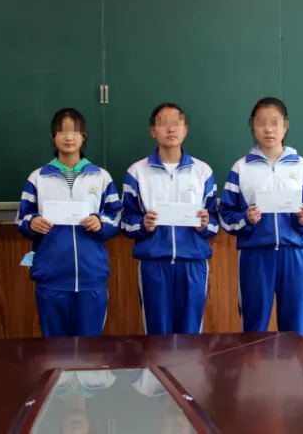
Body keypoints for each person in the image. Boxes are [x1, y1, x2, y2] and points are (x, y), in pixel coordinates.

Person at [219, 97, 303, 335]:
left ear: (285, 126)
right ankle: (252, 362)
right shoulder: (241, 168)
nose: (268, 129)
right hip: (255, 255)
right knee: (253, 328)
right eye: (261, 123)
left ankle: (294, 362)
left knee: (295, 329)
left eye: (275, 123)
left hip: (295, 254)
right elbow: (225, 215)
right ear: (252, 127)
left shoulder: (302, 167)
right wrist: (246, 219)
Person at [16, 108, 122, 337]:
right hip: (51, 277)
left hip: (91, 276)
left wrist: (100, 222)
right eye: (62, 131)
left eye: (74, 131)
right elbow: (22, 218)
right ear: (53, 136)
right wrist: (32, 223)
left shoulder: (101, 177)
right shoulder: (38, 177)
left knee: (90, 348)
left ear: (83, 136)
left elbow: (116, 217)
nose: (68, 137)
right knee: (54, 348)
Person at [121, 102, 218, 334]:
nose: (171, 129)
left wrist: (205, 225)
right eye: (163, 124)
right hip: (154, 265)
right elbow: (125, 221)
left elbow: (216, 221)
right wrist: (143, 225)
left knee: (190, 336)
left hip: (193, 263)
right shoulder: (137, 172)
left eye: (176, 123)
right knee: (157, 336)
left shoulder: (203, 172)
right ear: (153, 131)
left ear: (185, 130)